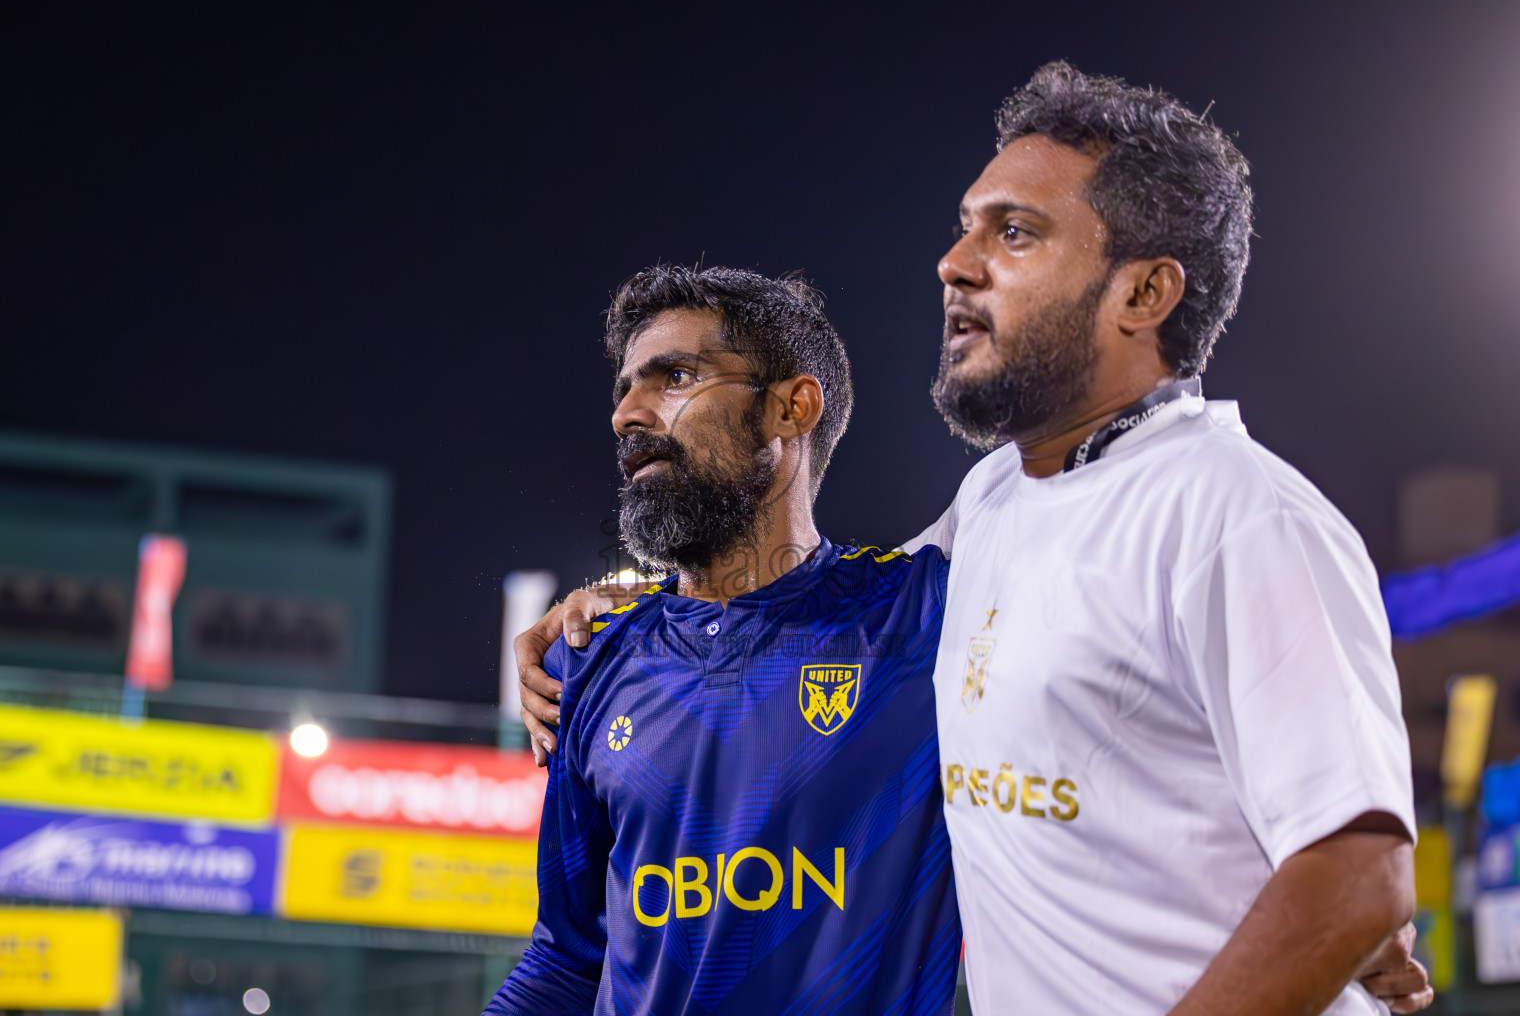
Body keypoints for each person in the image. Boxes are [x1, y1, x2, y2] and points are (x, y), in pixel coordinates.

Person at [516, 64, 1434, 1014]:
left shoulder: (1238, 514)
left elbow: (1360, 874)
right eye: (967, 224)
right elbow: (795, 590)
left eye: (1016, 232)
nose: (955, 261)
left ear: (1145, 292)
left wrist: (1349, 911)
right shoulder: (998, 501)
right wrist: (622, 606)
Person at [483, 266, 961, 1015]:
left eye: (674, 376)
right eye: (624, 391)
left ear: (790, 408)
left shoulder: (921, 619)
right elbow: (567, 958)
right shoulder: (592, 657)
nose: (626, 415)